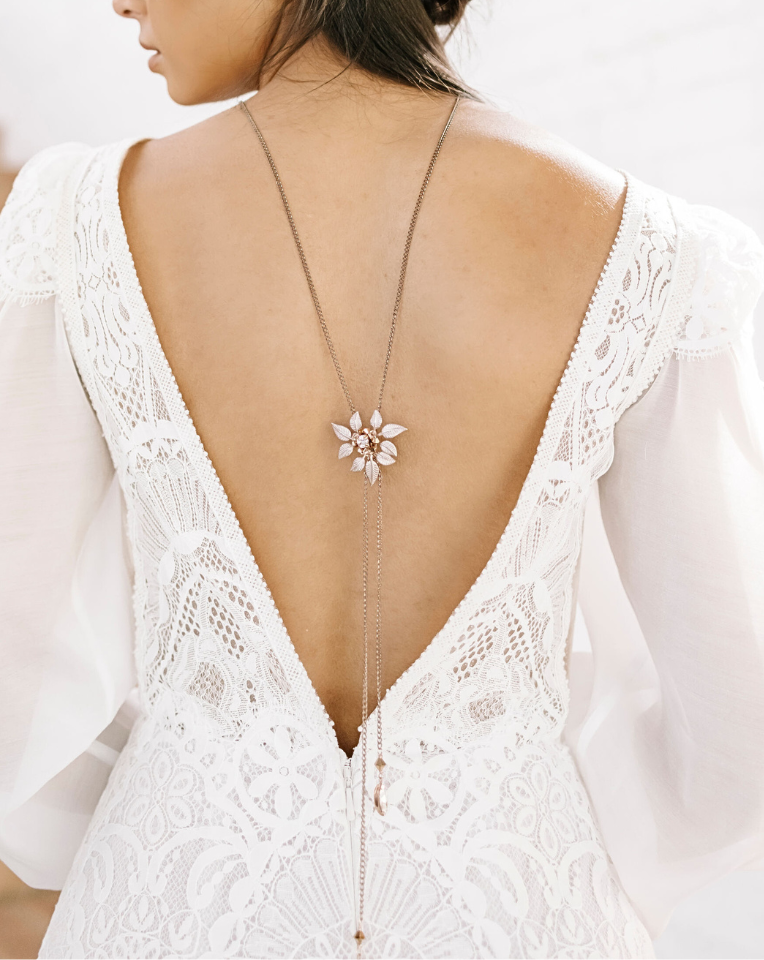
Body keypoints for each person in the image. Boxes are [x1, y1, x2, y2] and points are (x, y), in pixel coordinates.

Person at [1, 1, 763, 957]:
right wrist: (539, 813)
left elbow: (14, 660)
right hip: (516, 913)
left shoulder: (75, 219)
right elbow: (740, 726)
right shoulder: (652, 245)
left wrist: (165, 800)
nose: (121, 1)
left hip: (172, 909)